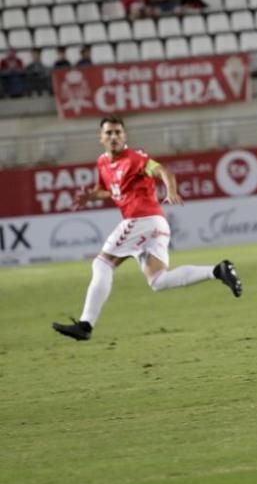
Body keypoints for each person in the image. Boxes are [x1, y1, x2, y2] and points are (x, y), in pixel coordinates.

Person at [51, 116, 243, 341]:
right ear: (100, 137)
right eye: (109, 133)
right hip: (154, 224)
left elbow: (163, 171)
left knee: (102, 263)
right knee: (158, 281)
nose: (114, 137)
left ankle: (85, 325)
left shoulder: (135, 158)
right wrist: (91, 196)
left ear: (125, 136)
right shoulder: (102, 162)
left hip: (141, 219)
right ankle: (218, 271)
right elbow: (108, 190)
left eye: (118, 132)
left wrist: (170, 190)